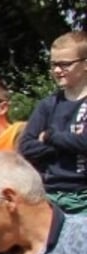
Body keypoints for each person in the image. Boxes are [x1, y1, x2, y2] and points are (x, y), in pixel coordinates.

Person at [17, 30, 87, 214]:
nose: (57, 70)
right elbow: (26, 146)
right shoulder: (47, 105)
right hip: (51, 196)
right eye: (53, 64)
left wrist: (50, 137)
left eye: (65, 64)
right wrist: (68, 144)